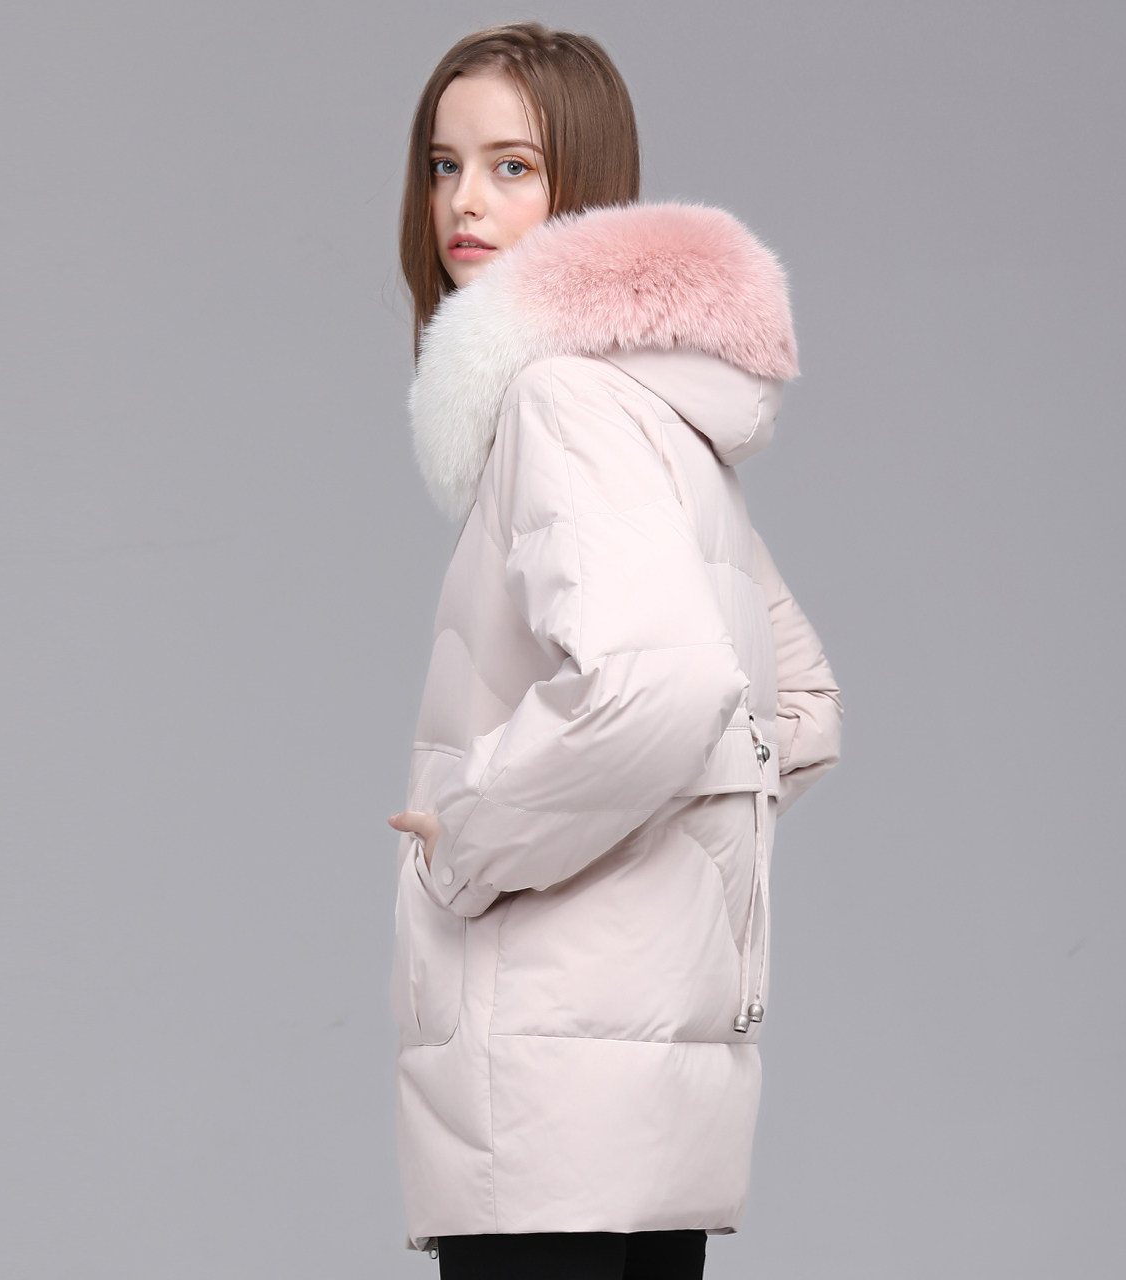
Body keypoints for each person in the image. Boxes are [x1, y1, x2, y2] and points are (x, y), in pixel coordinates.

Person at [386, 22, 842, 1279]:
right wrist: (683, 786)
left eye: (512, 167)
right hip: (645, 1104)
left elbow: (664, 686)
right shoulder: (658, 418)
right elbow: (798, 704)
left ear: (585, 187)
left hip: (544, 1097)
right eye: (442, 166)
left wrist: (472, 833)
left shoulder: (561, 400)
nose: (463, 202)